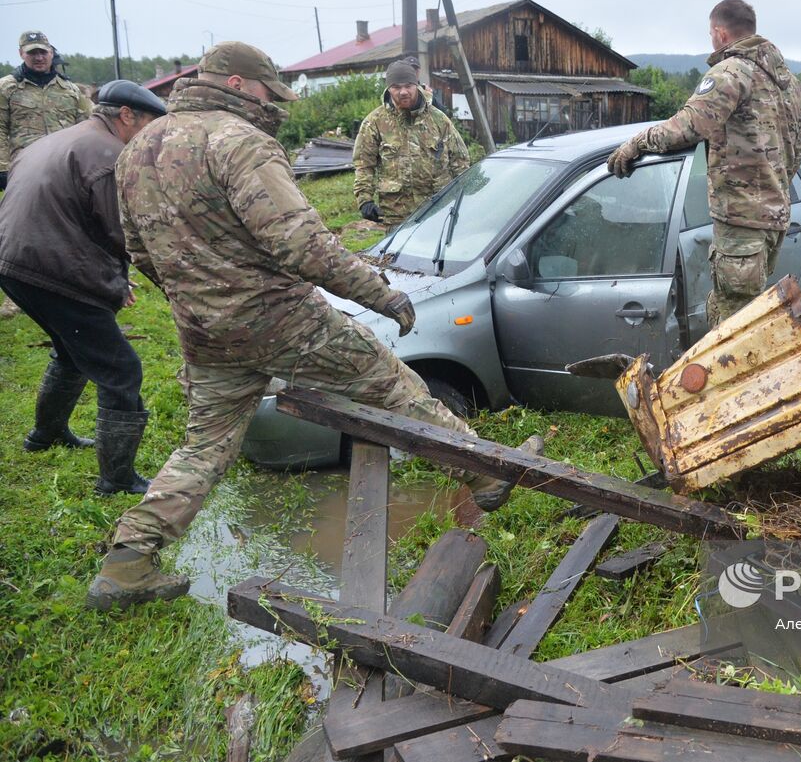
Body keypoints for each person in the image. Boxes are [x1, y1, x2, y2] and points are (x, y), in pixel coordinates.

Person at [86, 42, 529, 612]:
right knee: (388, 381)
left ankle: (127, 560)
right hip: (280, 316)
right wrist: (379, 293)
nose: (274, 102)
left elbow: (140, 251)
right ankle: (484, 473)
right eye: (270, 91)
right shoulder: (240, 143)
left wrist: (198, 294)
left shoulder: (139, 147)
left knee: (205, 446)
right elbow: (302, 243)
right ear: (241, 85)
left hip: (204, 327)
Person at [0, 80, 166, 493]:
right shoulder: (110, 156)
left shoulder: (61, 138)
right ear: (126, 116)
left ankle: (45, 435)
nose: (152, 136)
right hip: (51, 268)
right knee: (120, 369)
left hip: (13, 263)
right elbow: (125, 234)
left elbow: (83, 220)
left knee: (73, 352)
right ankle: (116, 479)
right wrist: (172, 284)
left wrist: (115, 278)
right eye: (150, 124)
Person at [607, 0, 801, 327]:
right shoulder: (790, 84)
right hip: (774, 220)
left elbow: (686, 128)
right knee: (749, 316)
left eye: (710, 34)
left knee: (733, 330)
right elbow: (795, 153)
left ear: (719, 33)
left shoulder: (730, 73)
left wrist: (637, 143)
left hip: (741, 224)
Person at [353, 57, 470, 226]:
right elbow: (364, 164)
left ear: (416, 85)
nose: (403, 92)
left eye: (408, 86)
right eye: (396, 87)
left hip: (437, 210)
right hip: (397, 215)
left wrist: (464, 197)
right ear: (388, 88)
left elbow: (460, 160)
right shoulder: (374, 122)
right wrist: (365, 200)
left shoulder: (439, 119)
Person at [0, 30, 93, 189]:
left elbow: (87, 130)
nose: (39, 58)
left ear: (51, 52)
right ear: (21, 53)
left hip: (64, 168)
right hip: (24, 169)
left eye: (43, 52)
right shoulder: (6, 88)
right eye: (32, 53)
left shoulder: (71, 90)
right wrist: (2, 168)